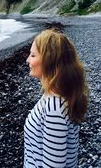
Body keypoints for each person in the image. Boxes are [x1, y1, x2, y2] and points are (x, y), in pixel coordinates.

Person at [24, 29, 89, 167]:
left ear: (49, 60)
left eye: (33, 55)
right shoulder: (55, 96)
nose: (28, 59)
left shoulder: (55, 108)